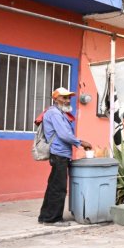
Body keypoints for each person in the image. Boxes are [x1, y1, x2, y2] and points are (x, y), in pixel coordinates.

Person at [37, 88, 93, 226]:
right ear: (55, 99)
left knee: (53, 186)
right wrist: (81, 142)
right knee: (59, 188)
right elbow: (64, 135)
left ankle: (45, 216)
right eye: (64, 97)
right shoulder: (55, 113)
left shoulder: (59, 113)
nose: (68, 100)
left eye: (69, 98)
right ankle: (53, 219)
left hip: (60, 154)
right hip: (59, 155)